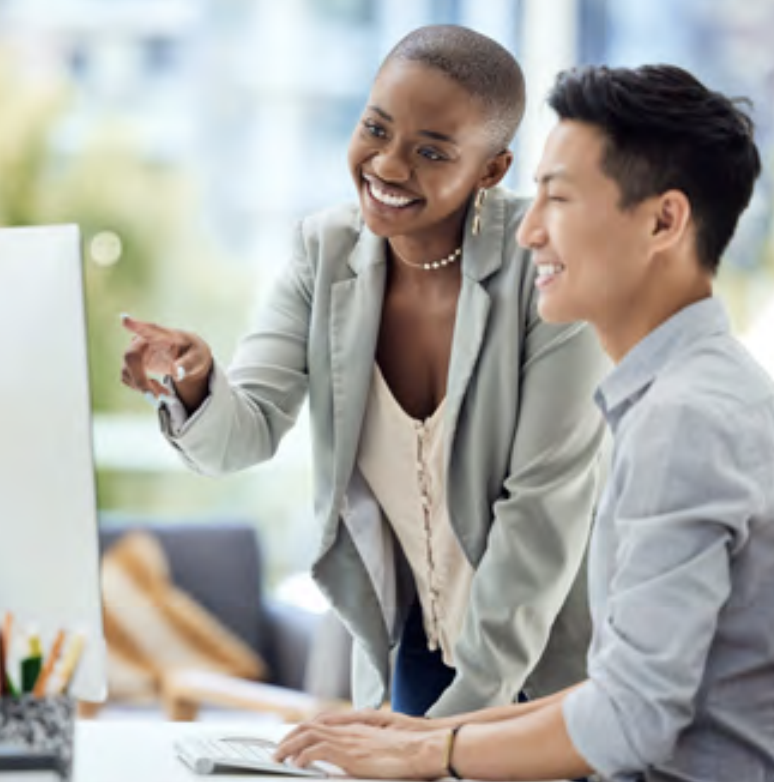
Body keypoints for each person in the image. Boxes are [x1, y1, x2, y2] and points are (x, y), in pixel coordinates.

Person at [275, 64, 774, 782]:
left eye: (560, 199)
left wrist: (428, 750)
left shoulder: (683, 421)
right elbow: (634, 686)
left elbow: (631, 723)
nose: (529, 231)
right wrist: (421, 730)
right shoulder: (702, 390)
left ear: (664, 221)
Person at [120, 25, 608, 718]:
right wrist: (194, 384)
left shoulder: (549, 267)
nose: (387, 164)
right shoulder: (323, 253)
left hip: (560, 656)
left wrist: (438, 737)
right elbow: (245, 432)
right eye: (375, 128)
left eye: (431, 150)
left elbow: (540, 517)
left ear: (492, 170)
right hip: (413, 645)